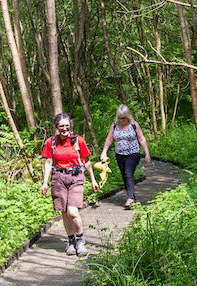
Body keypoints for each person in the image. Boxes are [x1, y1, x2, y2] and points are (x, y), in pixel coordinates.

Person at [40, 113, 99, 256]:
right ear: (57, 128)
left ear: (70, 126)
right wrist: (45, 182)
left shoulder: (78, 141)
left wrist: (93, 180)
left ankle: (80, 240)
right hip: (58, 178)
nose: (64, 128)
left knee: (72, 211)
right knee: (64, 212)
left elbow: (87, 161)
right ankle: (71, 242)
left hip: (76, 177)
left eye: (67, 125)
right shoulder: (51, 142)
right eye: (61, 126)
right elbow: (48, 163)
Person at [100, 104, 151, 209]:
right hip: (120, 155)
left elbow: (141, 138)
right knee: (125, 176)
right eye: (120, 118)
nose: (123, 120)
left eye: (124, 118)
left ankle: (130, 198)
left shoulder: (134, 124)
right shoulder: (114, 125)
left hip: (133, 153)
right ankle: (132, 197)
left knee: (128, 173)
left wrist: (147, 153)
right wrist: (104, 152)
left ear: (128, 117)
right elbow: (109, 139)